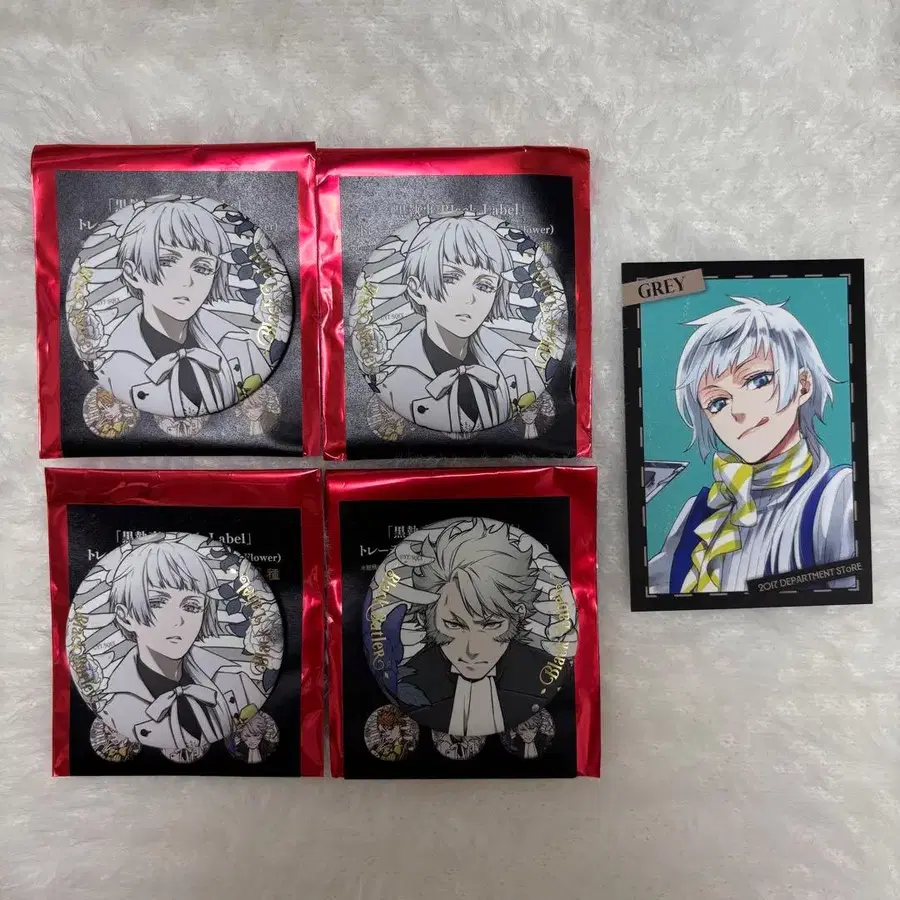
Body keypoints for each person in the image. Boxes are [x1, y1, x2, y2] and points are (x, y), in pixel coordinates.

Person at [648, 297, 855, 594]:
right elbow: (652, 597)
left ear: (803, 385)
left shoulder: (838, 498)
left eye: (757, 381)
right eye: (717, 402)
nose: (738, 411)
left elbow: (855, 608)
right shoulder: (700, 512)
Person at [94, 198, 271, 417]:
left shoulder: (241, 347)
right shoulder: (109, 365)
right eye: (167, 262)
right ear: (132, 273)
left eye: (202, 268)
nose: (186, 282)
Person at [377, 216, 544, 434]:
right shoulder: (390, 381)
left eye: (484, 286)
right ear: (417, 289)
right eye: (450, 278)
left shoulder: (519, 367)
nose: (469, 298)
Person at [98, 535, 265, 751]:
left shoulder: (234, 681)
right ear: (125, 616)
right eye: (157, 603)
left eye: (191, 607)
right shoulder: (111, 707)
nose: (177, 621)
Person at [399, 519, 550, 737]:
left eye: (491, 624)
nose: (472, 650)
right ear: (425, 617)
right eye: (453, 624)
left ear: (519, 614)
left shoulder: (542, 672)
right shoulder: (406, 681)